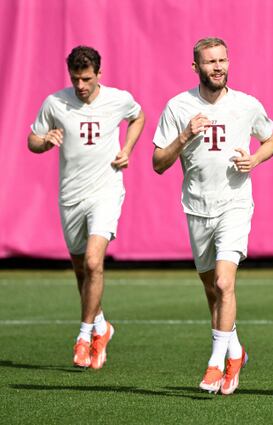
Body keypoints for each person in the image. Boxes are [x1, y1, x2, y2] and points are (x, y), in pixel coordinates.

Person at [152, 37, 273, 395]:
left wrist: (254, 159)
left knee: (224, 282)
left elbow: (270, 141)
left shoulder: (246, 104)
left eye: (222, 60)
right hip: (196, 206)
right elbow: (158, 163)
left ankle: (215, 363)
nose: (218, 67)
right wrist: (185, 135)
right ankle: (235, 352)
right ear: (196, 67)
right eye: (210, 61)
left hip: (235, 203)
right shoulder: (178, 106)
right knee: (212, 290)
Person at [28, 46, 145, 369]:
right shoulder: (55, 103)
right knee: (81, 269)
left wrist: (127, 148)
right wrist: (45, 141)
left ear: (99, 74)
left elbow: (138, 116)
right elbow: (32, 140)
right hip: (70, 196)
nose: (80, 85)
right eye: (75, 79)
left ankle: (83, 336)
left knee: (94, 261)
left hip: (105, 191)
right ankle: (101, 326)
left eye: (87, 79)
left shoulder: (118, 99)